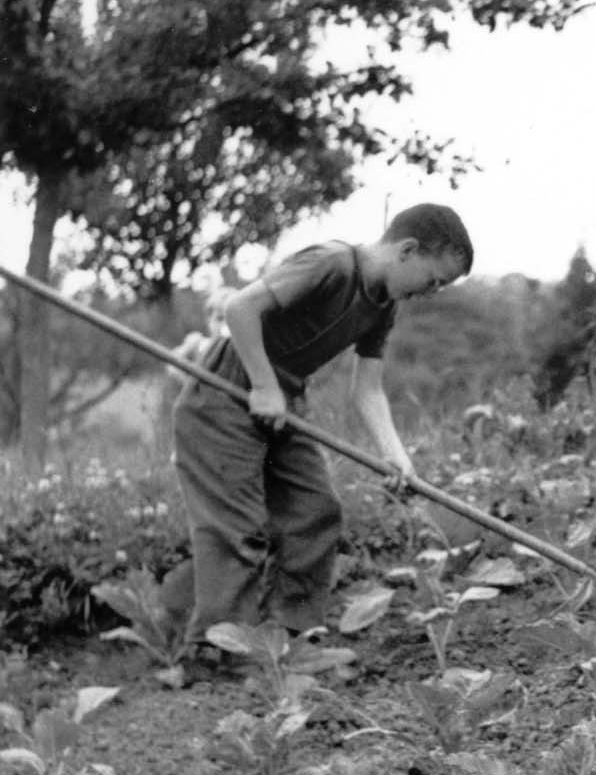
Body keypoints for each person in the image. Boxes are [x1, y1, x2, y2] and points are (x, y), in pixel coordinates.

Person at [159, 203, 474, 642]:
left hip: (283, 402)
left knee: (315, 511)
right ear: (407, 250)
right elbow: (239, 308)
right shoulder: (331, 264)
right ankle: (217, 651)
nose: (430, 291)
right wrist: (265, 385)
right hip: (224, 393)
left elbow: (368, 388)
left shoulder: (383, 305)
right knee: (237, 530)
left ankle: (291, 633)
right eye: (433, 280)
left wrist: (395, 455)